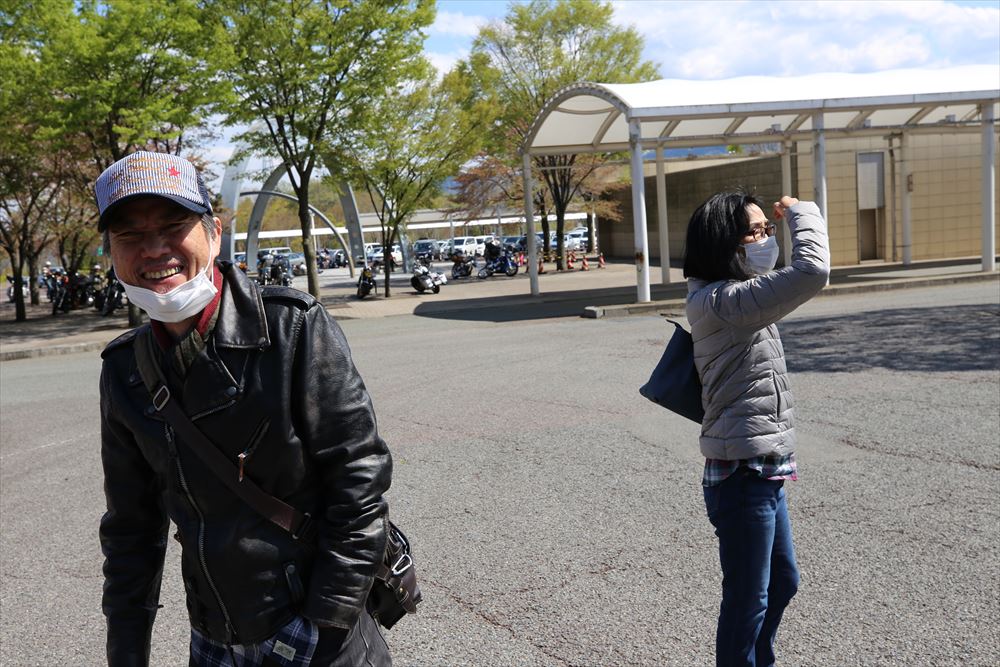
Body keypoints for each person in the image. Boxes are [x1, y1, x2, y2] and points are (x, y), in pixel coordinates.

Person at [95, 151, 393, 666]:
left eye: (173, 225)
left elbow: (359, 480)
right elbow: (131, 529)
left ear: (213, 233)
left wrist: (325, 625)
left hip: (316, 630)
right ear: (111, 252)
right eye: (130, 234)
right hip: (212, 638)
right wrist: (126, 653)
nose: (154, 248)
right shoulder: (124, 369)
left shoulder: (292, 327)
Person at [683, 191, 830, 667]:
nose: (766, 238)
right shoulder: (725, 301)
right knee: (748, 600)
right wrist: (802, 215)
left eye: (769, 229)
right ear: (723, 241)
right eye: (756, 231)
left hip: (763, 468)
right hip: (742, 476)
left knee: (782, 583)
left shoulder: (735, 295)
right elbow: (812, 271)